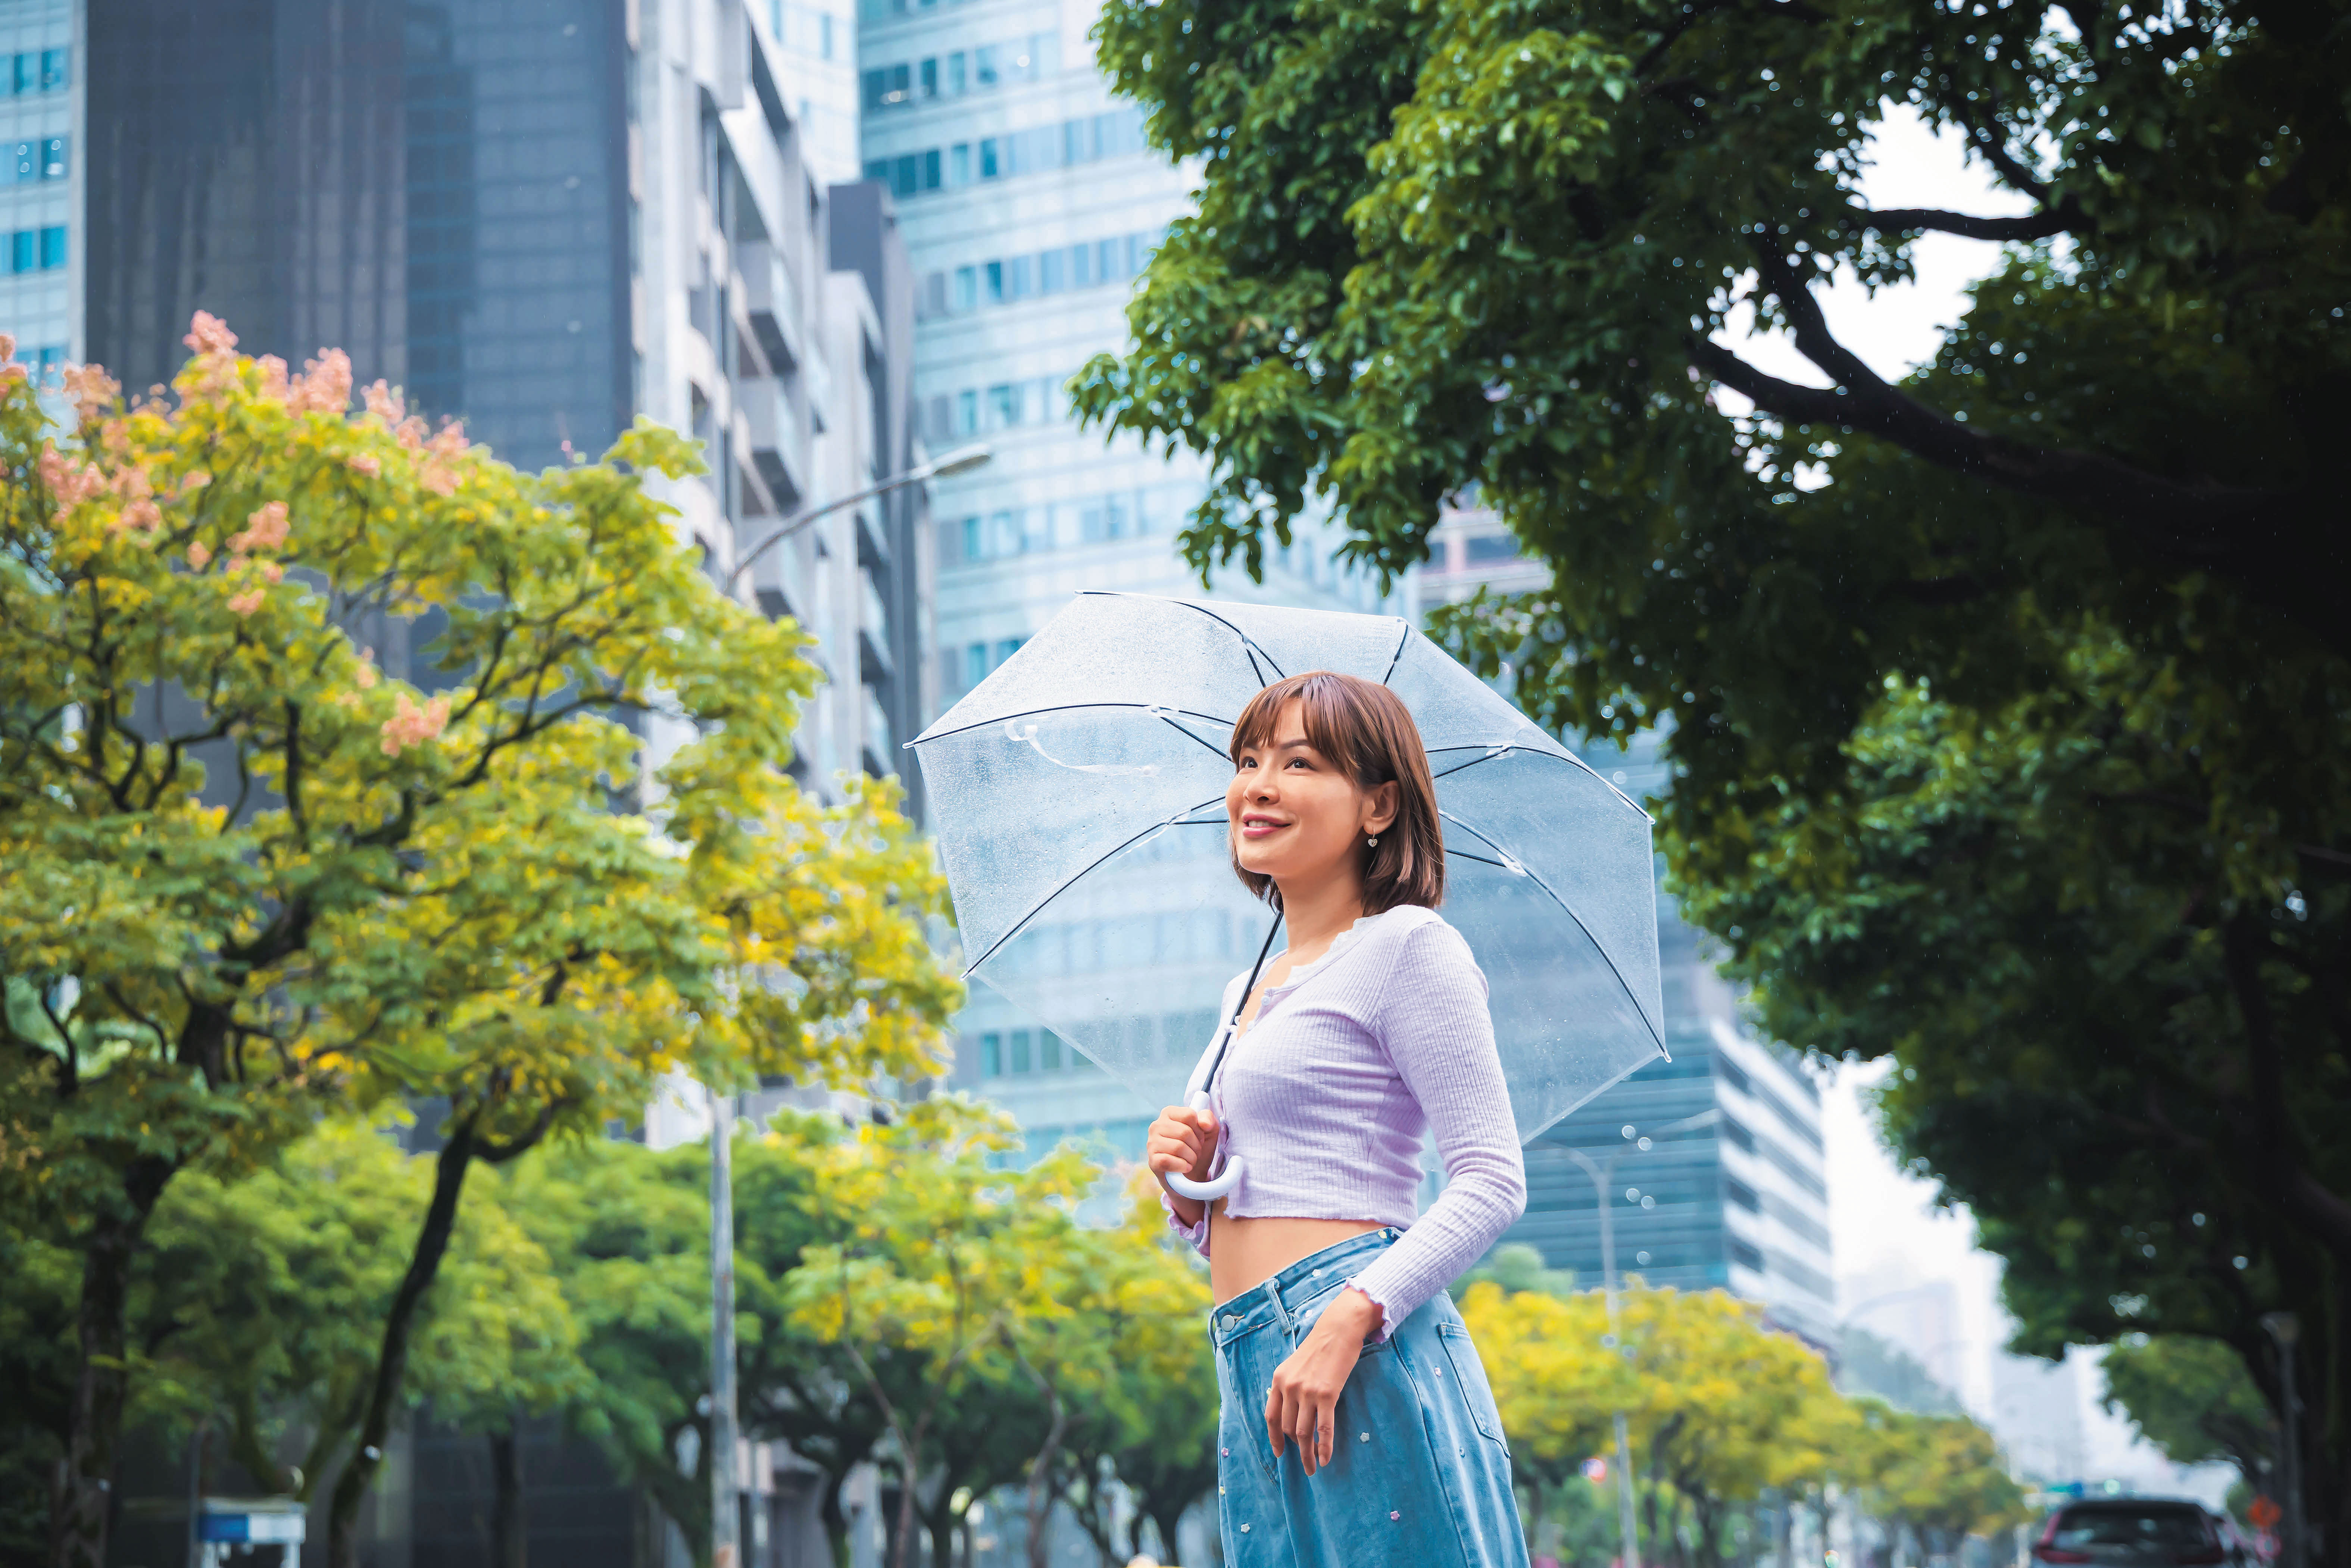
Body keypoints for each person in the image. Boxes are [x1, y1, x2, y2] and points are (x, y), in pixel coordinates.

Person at [1148, 670, 1532, 1567]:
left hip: (1353, 1332)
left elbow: (1491, 1179)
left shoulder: (1409, 946)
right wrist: (1186, 1183)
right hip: (1249, 1346)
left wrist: (1350, 1317)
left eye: (1301, 762)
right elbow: (1264, 1195)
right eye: (1248, 760)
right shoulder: (1251, 985)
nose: (1259, 784)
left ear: (1378, 804)